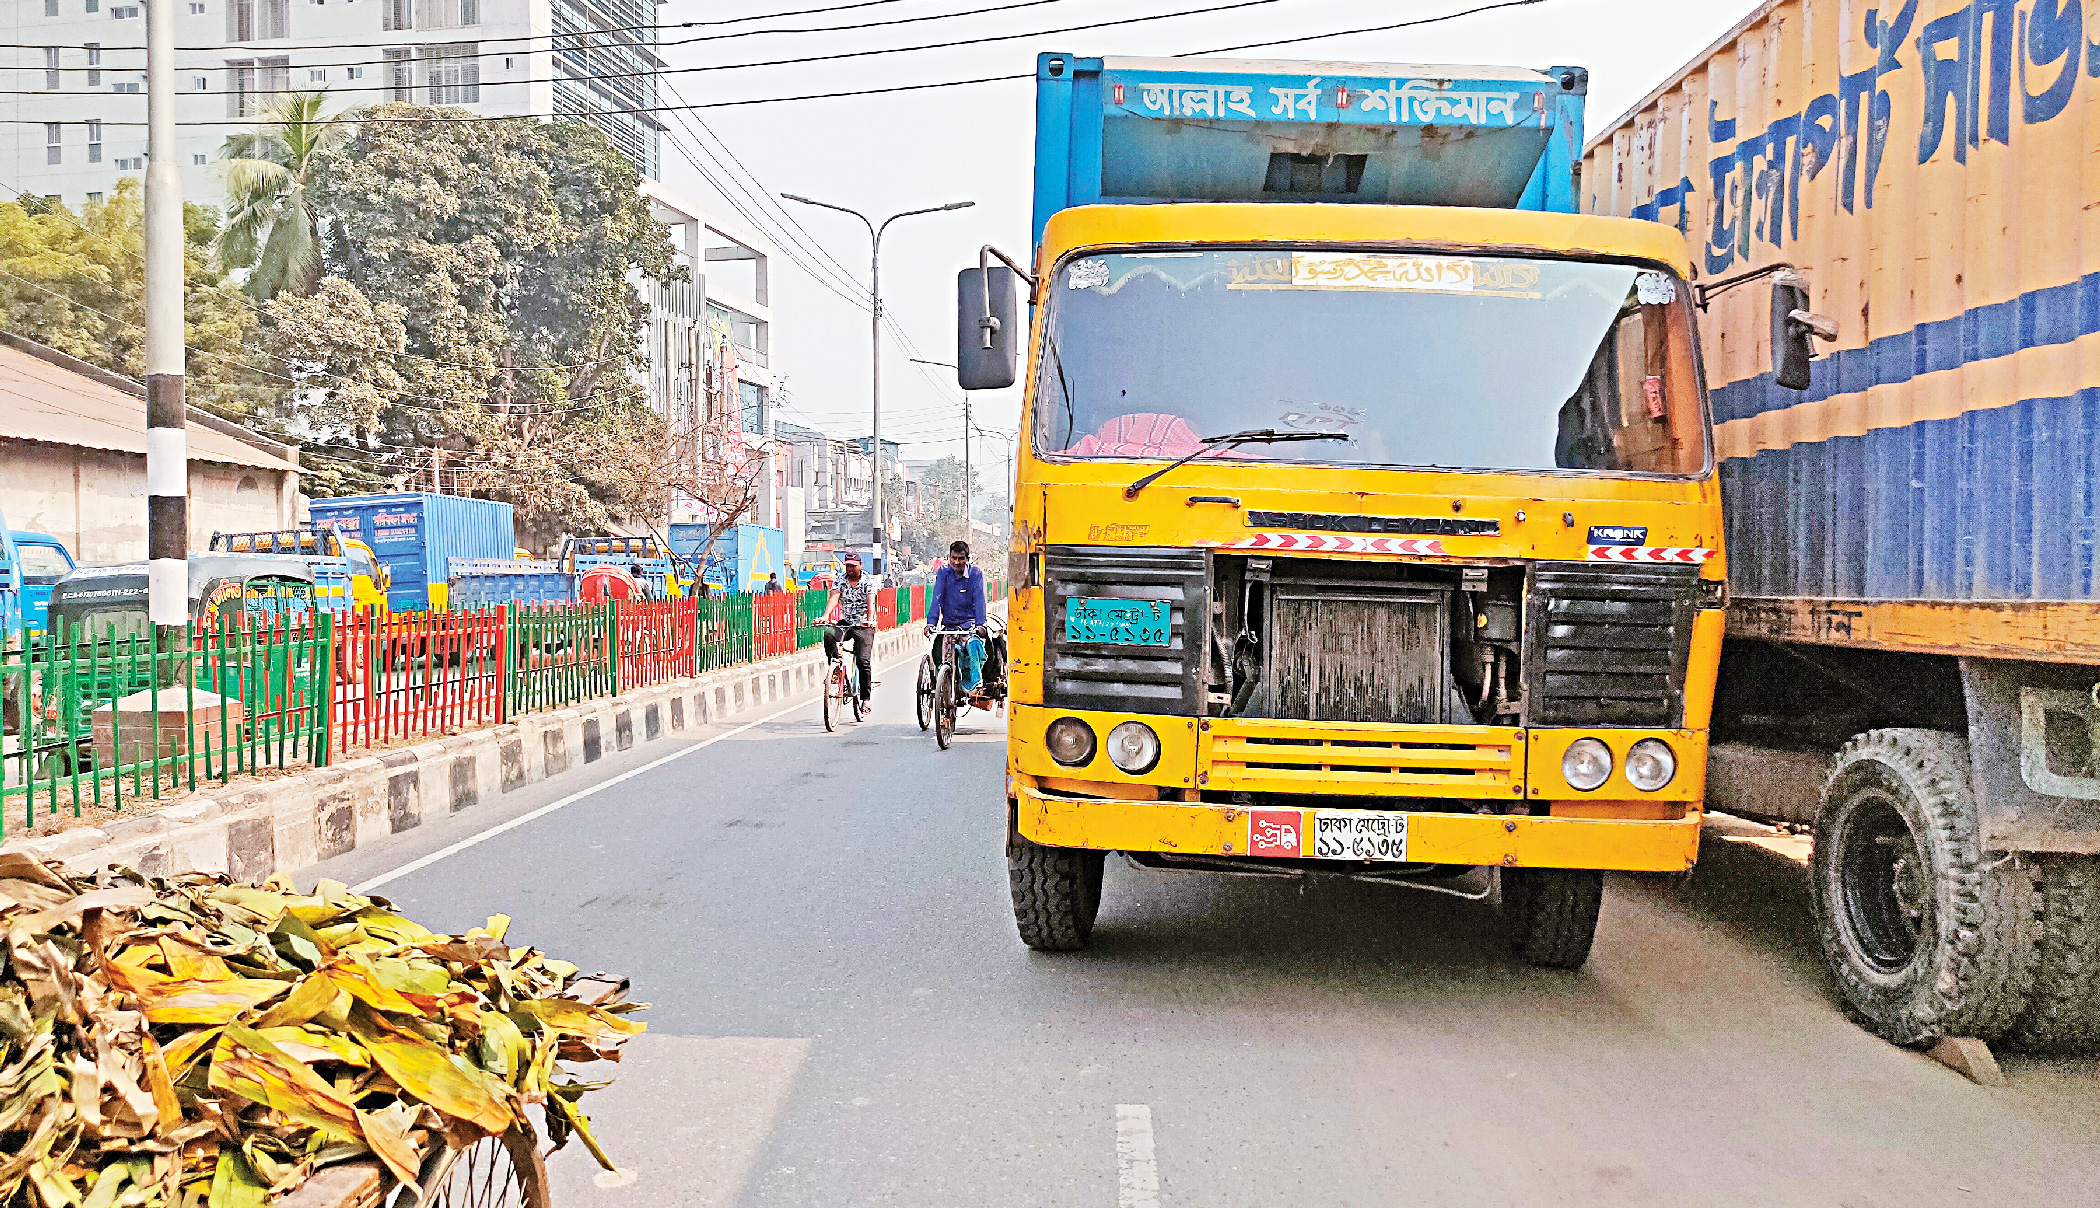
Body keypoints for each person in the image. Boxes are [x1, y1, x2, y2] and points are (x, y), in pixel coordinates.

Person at [926, 539, 990, 693]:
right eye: (953, 558)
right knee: (947, 652)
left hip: (970, 626)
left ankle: (975, 684)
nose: (956, 562)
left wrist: (981, 624)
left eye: (960, 558)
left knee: (973, 646)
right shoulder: (943, 573)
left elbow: (980, 600)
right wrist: (931, 623)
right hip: (949, 626)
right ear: (949, 557)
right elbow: (936, 598)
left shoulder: (976, 574)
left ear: (967, 559)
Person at [822, 552, 876, 704]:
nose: (850, 569)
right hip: (846, 622)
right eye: (848, 566)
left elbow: (871, 602)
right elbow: (834, 598)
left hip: (864, 625)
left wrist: (870, 620)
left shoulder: (868, 580)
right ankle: (836, 665)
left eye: (853, 566)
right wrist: (826, 616)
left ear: (860, 565)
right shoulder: (840, 580)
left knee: (863, 661)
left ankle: (866, 699)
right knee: (829, 634)